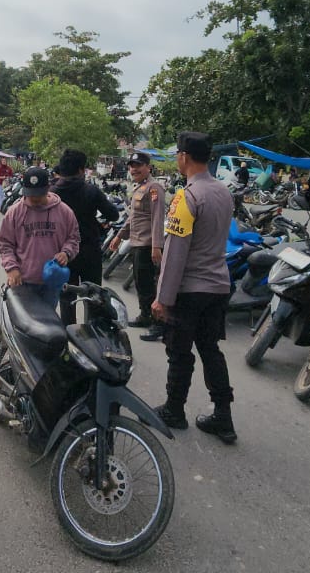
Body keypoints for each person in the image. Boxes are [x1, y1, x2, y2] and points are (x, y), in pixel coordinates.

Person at [153, 131, 237, 444]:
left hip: (190, 290)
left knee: (179, 351)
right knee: (210, 349)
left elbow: (175, 252)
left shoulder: (186, 197)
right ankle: (223, 416)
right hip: (218, 285)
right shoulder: (224, 192)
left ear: (184, 156)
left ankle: (174, 410)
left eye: (177, 154)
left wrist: (163, 298)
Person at [51, 150, 119, 324]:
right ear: (81, 170)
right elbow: (113, 214)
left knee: (67, 298)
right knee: (93, 296)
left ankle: (69, 334)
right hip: (90, 252)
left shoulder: (52, 193)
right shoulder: (91, 191)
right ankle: (92, 333)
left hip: (63, 254)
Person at [0, 167, 80, 306]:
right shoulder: (14, 212)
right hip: (22, 280)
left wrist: (66, 253)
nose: (34, 199)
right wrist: (11, 268)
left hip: (51, 283)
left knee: (48, 318)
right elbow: (5, 244)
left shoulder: (65, 212)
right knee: (23, 319)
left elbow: (74, 238)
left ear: (47, 189)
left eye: (38, 195)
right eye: (31, 195)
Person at [109, 151, 166, 341]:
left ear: (148, 167)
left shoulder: (154, 188)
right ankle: (145, 315)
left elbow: (158, 219)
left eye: (138, 166)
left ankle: (159, 324)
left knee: (149, 285)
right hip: (136, 242)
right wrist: (119, 236)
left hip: (148, 244)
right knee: (140, 282)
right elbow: (133, 217)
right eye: (131, 166)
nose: (134, 169)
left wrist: (156, 246)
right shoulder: (139, 188)